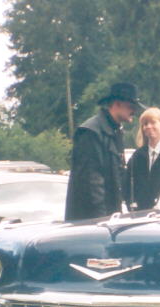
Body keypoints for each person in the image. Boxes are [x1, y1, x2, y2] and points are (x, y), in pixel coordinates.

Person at [65, 82, 145, 221]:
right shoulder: (90, 133)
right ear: (117, 104)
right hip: (91, 223)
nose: (134, 111)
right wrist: (102, 222)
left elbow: (118, 179)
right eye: (131, 106)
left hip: (108, 219)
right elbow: (92, 185)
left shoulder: (115, 132)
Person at [125, 107, 160, 210]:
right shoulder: (137, 156)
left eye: (153, 123)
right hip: (141, 213)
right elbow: (126, 185)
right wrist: (130, 205)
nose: (148, 127)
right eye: (145, 124)